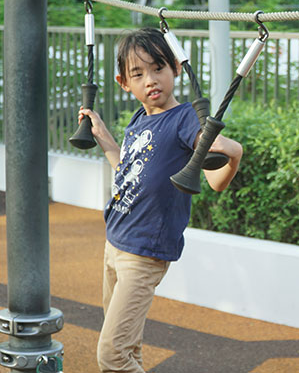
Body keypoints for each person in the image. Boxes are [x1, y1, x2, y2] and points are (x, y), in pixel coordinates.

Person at [78, 27, 243, 373]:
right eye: (139, 74)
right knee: (128, 346)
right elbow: (128, 170)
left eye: (158, 68)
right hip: (115, 242)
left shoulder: (185, 119)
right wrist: (104, 136)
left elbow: (214, 181)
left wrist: (233, 154)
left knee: (112, 354)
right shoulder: (139, 120)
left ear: (175, 70)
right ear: (125, 83)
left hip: (144, 254)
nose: (151, 80)